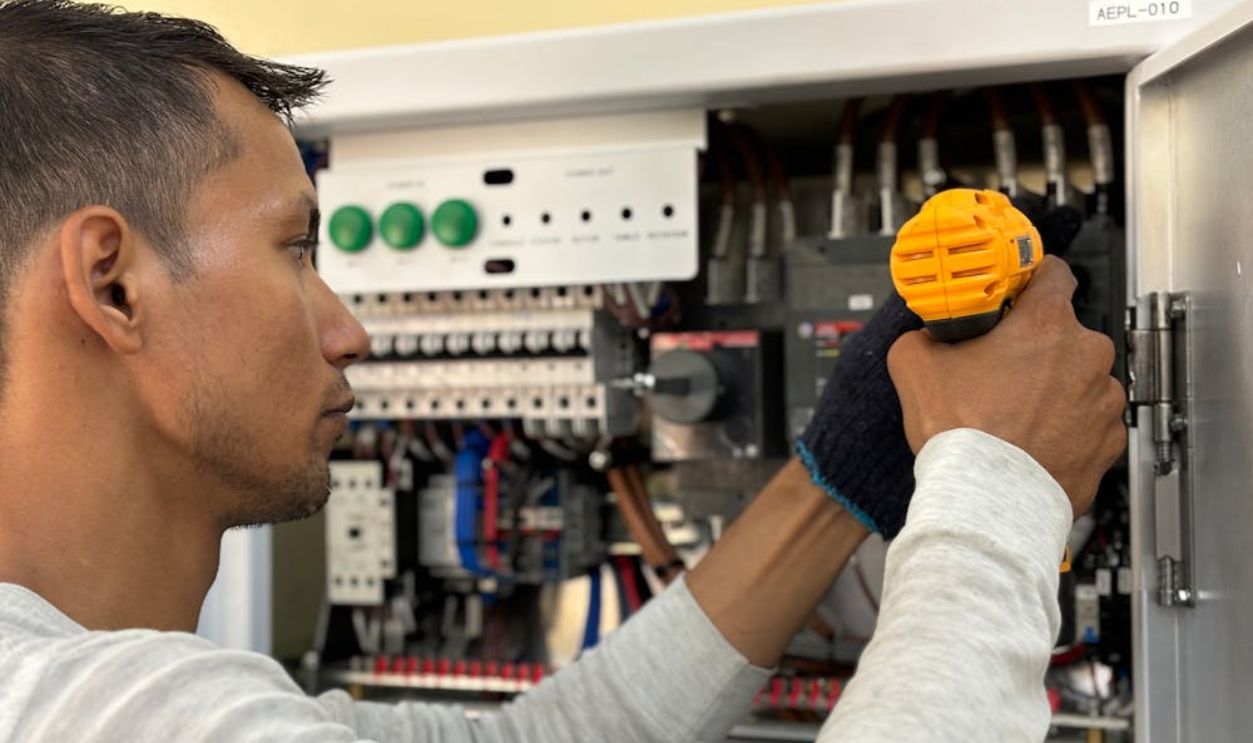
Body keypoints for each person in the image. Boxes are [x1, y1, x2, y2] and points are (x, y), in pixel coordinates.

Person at [0, 2, 1126, 741]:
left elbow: (567, 733)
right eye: (296, 248)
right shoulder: (119, 716)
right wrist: (996, 489)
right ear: (112, 285)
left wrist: (832, 474)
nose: (349, 329)